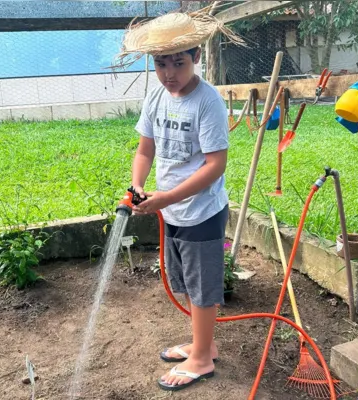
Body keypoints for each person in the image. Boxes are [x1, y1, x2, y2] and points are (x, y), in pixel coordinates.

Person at [112, 11, 244, 391]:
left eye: (179, 62)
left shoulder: (208, 102)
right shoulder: (156, 97)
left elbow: (215, 166)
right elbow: (144, 150)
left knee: (202, 287)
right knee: (184, 280)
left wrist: (167, 196)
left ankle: (201, 358)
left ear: (196, 57)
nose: (169, 73)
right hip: (171, 209)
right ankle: (204, 343)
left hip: (201, 211)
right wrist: (138, 185)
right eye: (161, 63)